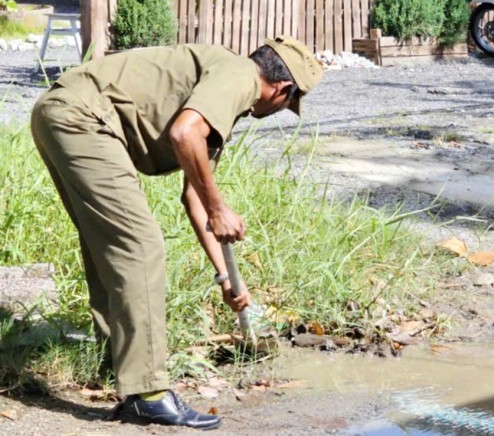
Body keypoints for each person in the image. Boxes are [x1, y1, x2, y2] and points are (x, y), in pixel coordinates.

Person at [30, 37, 324, 429]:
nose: (284, 109)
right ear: (283, 90)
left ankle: (118, 364)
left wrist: (226, 278)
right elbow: (183, 135)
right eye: (290, 103)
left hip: (61, 112)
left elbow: (194, 197)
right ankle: (148, 393)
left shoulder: (223, 92)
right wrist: (221, 208)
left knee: (111, 245)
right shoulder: (239, 77)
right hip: (83, 118)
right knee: (141, 246)